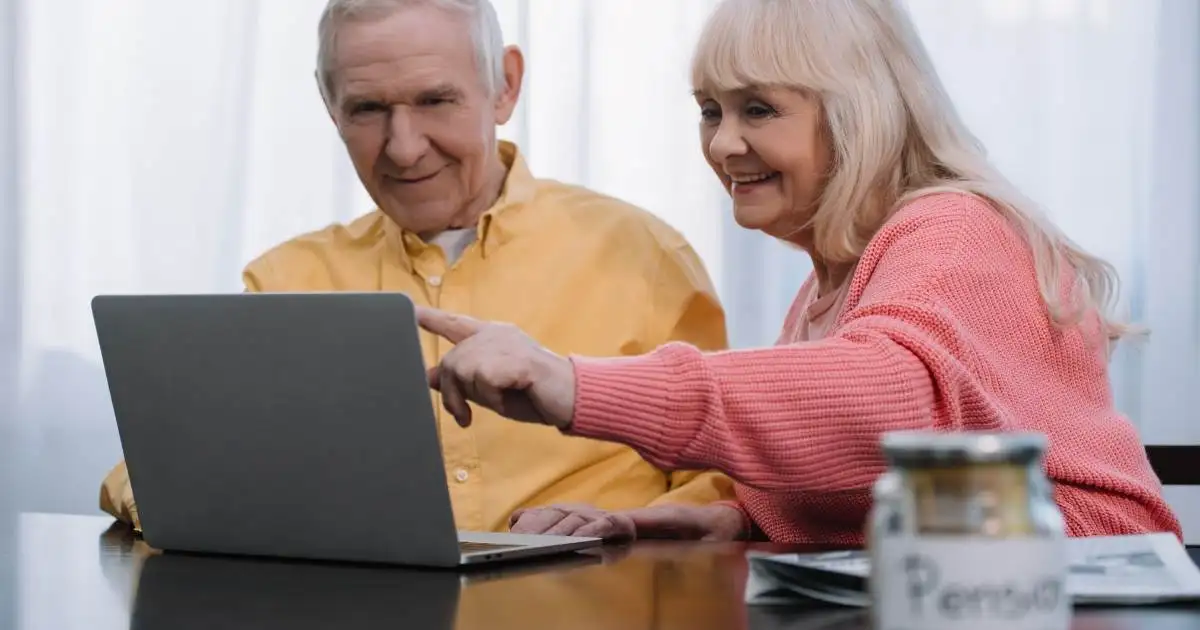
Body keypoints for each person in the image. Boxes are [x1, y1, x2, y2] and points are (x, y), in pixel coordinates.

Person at [413, 0, 1183, 543]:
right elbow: (885, 481)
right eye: (711, 111)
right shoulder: (831, 282)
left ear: (858, 110)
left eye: (758, 110)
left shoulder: (954, 228)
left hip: (1080, 585)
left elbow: (882, 410)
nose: (721, 145)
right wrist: (730, 518)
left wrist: (575, 386)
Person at [98, 0, 741, 537]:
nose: (403, 148)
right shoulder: (284, 281)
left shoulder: (644, 257)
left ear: (505, 86)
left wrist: (625, 525)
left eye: (435, 100)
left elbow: (728, 480)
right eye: (367, 109)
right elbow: (160, 471)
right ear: (329, 106)